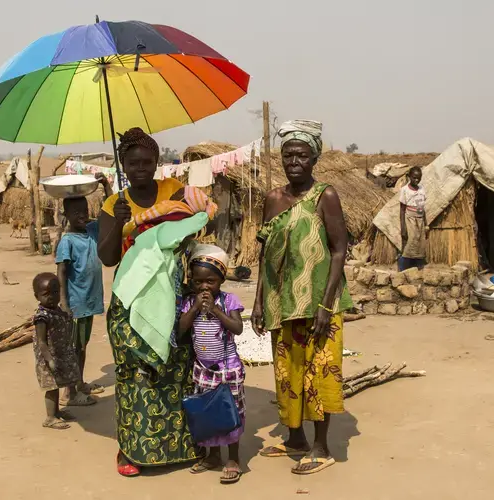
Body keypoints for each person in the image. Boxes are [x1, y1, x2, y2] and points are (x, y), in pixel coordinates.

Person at [98, 127, 208, 476]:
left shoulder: (173, 191)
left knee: (177, 371)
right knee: (137, 376)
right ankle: (131, 451)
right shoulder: (113, 204)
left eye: (147, 162)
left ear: (157, 162)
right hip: (130, 299)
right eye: (133, 163)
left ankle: (181, 447)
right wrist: (119, 224)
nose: (141, 168)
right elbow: (107, 258)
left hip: (173, 293)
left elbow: (197, 225)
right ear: (123, 165)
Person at [251, 120, 353, 475]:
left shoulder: (326, 196)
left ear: (314, 159)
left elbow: (339, 251)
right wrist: (259, 303)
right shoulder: (274, 199)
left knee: (319, 371)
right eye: (288, 155)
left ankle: (321, 446)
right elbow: (265, 255)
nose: (294, 161)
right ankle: (295, 438)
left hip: (320, 302)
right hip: (282, 302)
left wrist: (326, 305)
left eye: (302, 155)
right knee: (288, 371)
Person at [179, 244, 245, 484]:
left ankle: (233, 458)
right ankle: (214, 456)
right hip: (203, 370)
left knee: (230, 413)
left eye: (211, 282)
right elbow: (181, 330)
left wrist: (216, 311)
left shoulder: (229, 301)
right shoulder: (190, 303)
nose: (204, 287)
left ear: (221, 280)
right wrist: (196, 307)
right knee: (209, 414)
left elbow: (237, 328)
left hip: (228, 369)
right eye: (198, 282)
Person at [55, 173, 112, 408]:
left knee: (82, 346)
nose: (82, 215)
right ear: (65, 215)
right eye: (76, 212)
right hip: (76, 304)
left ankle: (79, 383)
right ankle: (70, 393)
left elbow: (111, 214)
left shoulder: (91, 231)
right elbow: (61, 273)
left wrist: (107, 187)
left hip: (89, 302)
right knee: (73, 348)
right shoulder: (67, 241)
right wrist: (65, 304)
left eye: (84, 210)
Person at [32, 272, 81, 430]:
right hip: (48, 358)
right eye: (46, 294)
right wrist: (50, 360)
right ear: (37, 296)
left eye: (55, 292)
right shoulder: (42, 316)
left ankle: (57, 412)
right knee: (51, 388)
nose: (52, 297)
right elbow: (41, 342)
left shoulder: (57, 311)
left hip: (60, 355)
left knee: (58, 384)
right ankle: (50, 417)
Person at [399, 166, 428, 271]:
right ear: (409, 177)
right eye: (414, 177)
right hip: (410, 219)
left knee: (420, 243)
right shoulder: (405, 190)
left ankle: (418, 267)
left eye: (419, 178)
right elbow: (402, 210)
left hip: (420, 219)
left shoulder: (421, 189)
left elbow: (422, 208)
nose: (417, 180)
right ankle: (403, 267)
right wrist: (403, 227)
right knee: (410, 242)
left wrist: (426, 223)